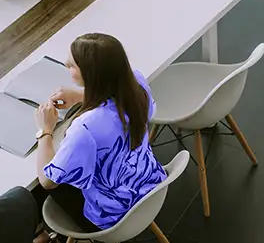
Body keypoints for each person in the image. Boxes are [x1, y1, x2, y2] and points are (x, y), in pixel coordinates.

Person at [34, 33, 166, 233]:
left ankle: (43, 234)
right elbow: (116, 90)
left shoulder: (85, 128)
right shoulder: (138, 84)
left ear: (89, 74)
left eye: (71, 65)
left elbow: (47, 180)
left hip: (111, 216)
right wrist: (80, 95)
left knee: (36, 189)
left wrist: (45, 130)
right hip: (148, 184)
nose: (65, 65)